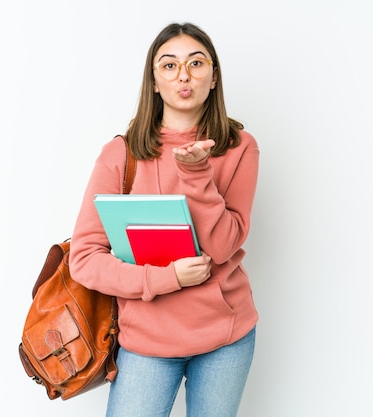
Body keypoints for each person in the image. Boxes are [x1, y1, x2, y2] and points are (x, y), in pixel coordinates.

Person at [69, 22, 259, 417]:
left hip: (226, 338)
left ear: (213, 75)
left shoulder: (240, 147)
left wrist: (196, 174)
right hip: (147, 343)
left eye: (196, 62)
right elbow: (84, 258)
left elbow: (223, 246)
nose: (184, 75)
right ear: (154, 81)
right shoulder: (120, 154)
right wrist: (166, 278)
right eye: (169, 65)